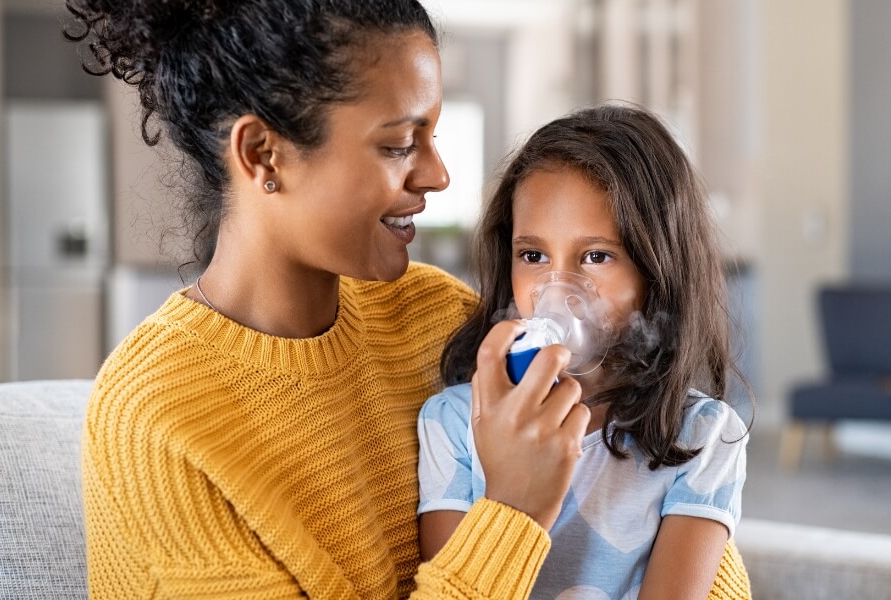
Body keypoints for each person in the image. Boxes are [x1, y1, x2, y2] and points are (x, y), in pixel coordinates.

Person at [64, 1, 591, 597]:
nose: (438, 175)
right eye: (398, 145)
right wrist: (513, 513)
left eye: (432, 136)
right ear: (263, 152)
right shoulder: (154, 420)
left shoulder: (437, 317)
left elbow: (638, 504)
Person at [418, 104, 752, 600]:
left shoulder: (701, 437)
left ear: (657, 270)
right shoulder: (454, 423)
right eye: (533, 255)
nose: (558, 287)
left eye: (596, 256)